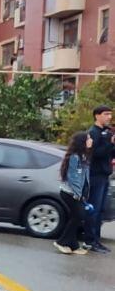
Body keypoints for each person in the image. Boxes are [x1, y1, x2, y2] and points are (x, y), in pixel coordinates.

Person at [83, 105, 115, 253]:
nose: (109, 117)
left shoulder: (107, 132)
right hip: (95, 175)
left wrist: (112, 145)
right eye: (106, 114)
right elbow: (94, 154)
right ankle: (89, 241)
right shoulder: (92, 133)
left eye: (110, 114)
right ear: (97, 115)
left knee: (100, 210)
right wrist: (110, 144)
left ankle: (96, 239)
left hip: (105, 175)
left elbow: (109, 154)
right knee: (93, 209)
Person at [54, 131, 91, 255]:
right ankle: (61, 242)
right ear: (82, 142)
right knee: (78, 217)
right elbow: (73, 177)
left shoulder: (83, 156)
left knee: (77, 218)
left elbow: (84, 177)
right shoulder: (74, 157)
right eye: (88, 139)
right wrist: (78, 194)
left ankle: (73, 246)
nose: (91, 141)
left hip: (77, 193)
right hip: (70, 193)